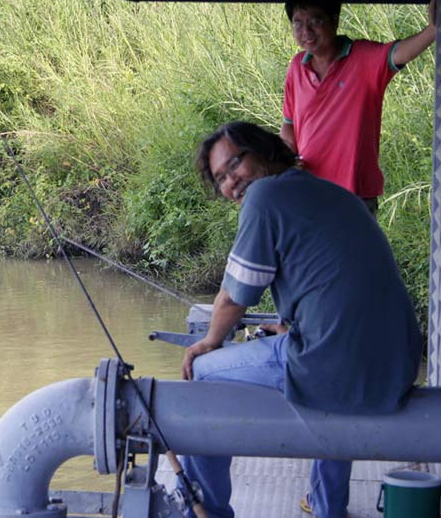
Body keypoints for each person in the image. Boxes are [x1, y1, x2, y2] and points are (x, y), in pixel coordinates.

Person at [178, 121, 422, 518]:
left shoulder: (264, 196)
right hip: (395, 366)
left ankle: (208, 512)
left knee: (203, 373)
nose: (231, 182)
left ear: (264, 151)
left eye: (234, 164)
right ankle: (328, 510)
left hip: (334, 364)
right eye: (221, 178)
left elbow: (235, 295)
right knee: (335, 394)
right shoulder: (330, 193)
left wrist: (208, 342)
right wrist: (292, 327)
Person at [280, 0, 436, 215]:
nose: (306, 32)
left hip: (354, 194)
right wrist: (287, 161)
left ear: (335, 20)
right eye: (298, 23)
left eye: (315, 21)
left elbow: (401, 52)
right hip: (308, 190)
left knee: (354, 252)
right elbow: (288, 126)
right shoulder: (296, 67)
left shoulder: (362, 59)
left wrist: (434, 29)